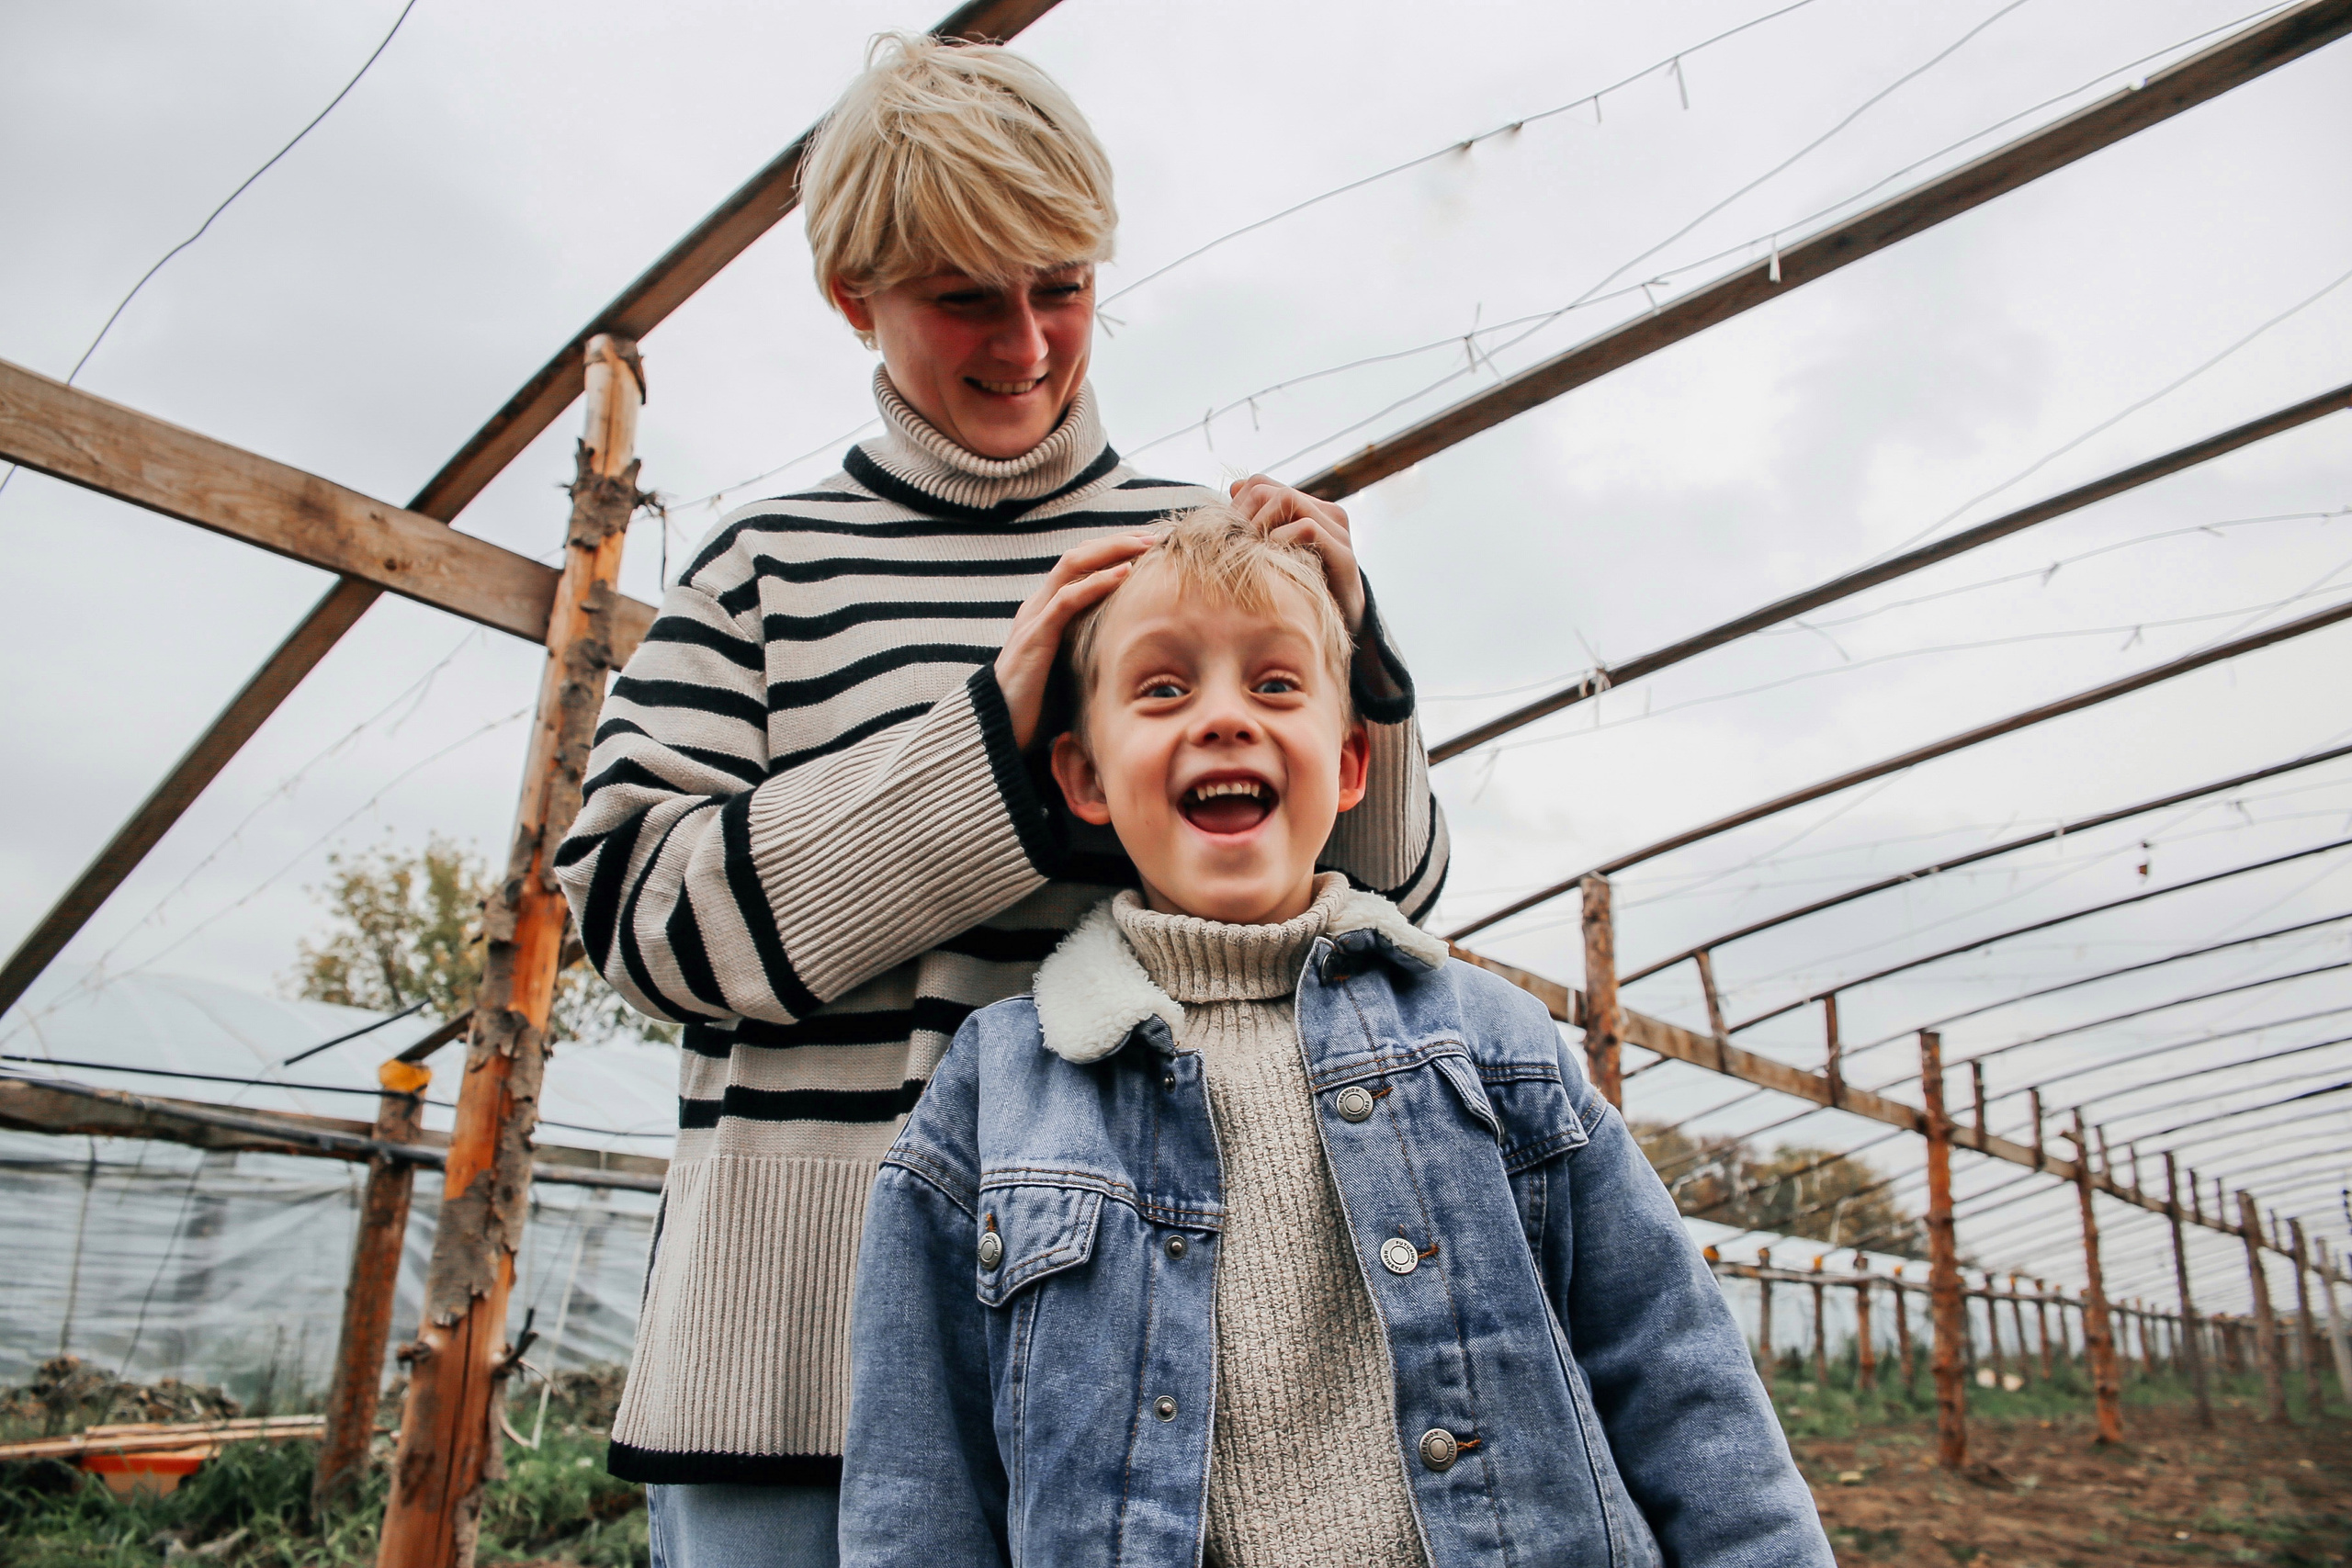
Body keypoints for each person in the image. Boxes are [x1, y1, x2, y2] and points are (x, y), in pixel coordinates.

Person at [554, 33, 1448, 1568]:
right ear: (856, 299)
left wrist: (1354, 660)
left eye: (1063, 284)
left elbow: (1384, 916)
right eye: (966, 294)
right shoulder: (764, 572)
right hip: (798, 1369)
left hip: (1152, 1337)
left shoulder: (1193, 556)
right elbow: (640, 920)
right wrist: (989, 738)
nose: (1028, 341)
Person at [839, 509, 1829, 1565]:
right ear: (1084, 778)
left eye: (1274, 685)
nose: (1224, 718)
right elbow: (919, 1476)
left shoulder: (1487, 1039)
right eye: (1163, 688)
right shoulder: (999, 1087)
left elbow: (1677, 1370)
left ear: (1351, 762)